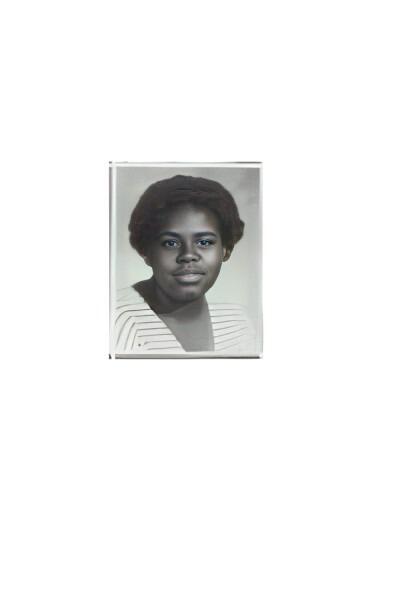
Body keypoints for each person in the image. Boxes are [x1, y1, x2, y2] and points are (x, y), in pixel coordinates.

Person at [114, 174, 255, 355]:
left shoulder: (239, 323)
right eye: (170, 243)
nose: (188, 255)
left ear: (226, 250)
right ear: (146, 251)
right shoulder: (117, 320)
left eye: (204, 242)